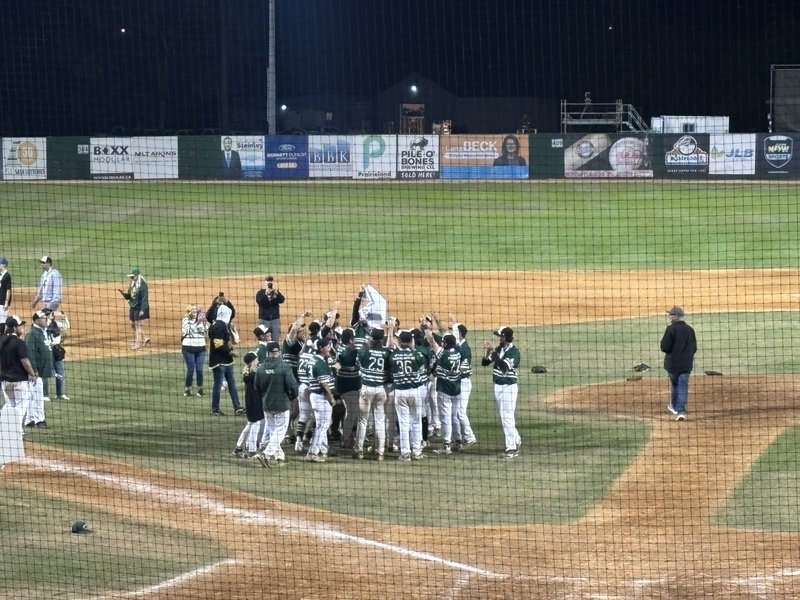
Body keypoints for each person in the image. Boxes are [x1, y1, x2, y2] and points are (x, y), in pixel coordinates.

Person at [385, 321, 427, 462]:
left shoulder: (393, 356)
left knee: (403, 423)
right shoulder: (417, 355)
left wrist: (390, 331)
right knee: (416, 422)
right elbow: (421, 368)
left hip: (400, 392)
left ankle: (405, 453)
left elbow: (390, 348)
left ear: (400, 341)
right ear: (410, 341)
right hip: (415, 392)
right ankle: (417, 451)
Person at [255, 341, 299, 468]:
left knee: (273, 431)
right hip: (282, 404)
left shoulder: (261, 368)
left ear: (267, 352)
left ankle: (279, 458)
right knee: (280, 431)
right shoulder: (284, 366)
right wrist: (293, 397)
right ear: (278, 352)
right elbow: (293, 386)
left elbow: (256, 387)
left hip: (267, 405)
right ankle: (266, 454)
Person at [0, 315, 37, 466]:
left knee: (10, 405)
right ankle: (13, 432)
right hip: (20, 382)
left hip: (5, 382)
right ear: (14, 327)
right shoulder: (19, 343)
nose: (22, 327)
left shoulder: (1, 340)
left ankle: (7, 428)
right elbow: (25, 361)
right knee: (21, 407)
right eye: (20, 325)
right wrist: (32, 374)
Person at [482, 326, 522, 459]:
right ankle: (516, 439)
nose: (498, 338)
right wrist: (488, 352)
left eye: (500, 336)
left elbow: (504, 367)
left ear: (505, 337)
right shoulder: (499, 349)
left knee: (507, 417)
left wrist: (493, 354)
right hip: (498, 386)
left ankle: (511, 448)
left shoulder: (514, 353)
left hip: (509, 387)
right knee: (504, 416)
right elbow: (484, 363)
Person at [354, 328, 390, 460]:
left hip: (366, 389)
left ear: (372, 338)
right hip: (380, 389)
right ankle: (380, 452)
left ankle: (359, 451)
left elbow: (357, 364)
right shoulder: (387, 352)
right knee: (380, 421)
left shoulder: (364, 350)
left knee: (363, 420)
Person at [424, 329, 462, 455]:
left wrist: (426, 329)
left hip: (445, 389)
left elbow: (431, 341)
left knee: (445, 418)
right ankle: (458, 441)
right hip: (456, 389)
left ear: (446, 344)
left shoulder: (443, 354)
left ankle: (446, 444)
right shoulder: (458, 353)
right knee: (455, 416)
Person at [661, 306, 697, 422]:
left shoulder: (670, 329)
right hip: (686, 364)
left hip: (672, 364)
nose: (669, 316)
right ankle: (680, 411)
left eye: (671, 315)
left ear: (676, 316)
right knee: (682, 385)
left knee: (675, 383)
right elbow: (694, 348)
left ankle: (674, 406)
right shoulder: (690, 330)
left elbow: (664, 347)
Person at [208, 304, 244, 416]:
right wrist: (230, 352)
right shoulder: (219, 326)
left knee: (231, 384)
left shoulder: (220, 324)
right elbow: (218, 344)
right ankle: (215, 409)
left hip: (226, 360)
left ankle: (237, 407)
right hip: (219, 361)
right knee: (218, 386)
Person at [305, 337, 337, 463]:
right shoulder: (320, 363)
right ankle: (312, 453)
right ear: (321, 348)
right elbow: (324, 385)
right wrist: (331, 398)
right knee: (322, 426)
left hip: (315, 396)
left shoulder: (313, 360)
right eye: (328, 346)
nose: (330, 348)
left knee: (321, 425)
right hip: (321, 398)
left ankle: (323, 449)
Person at [232, 352, 264, 459]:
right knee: (255, 425)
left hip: (249, 403)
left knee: (250, 424)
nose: (258, 361)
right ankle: (251, 450)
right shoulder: (253, 375)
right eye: (256, 359)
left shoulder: (247, 373)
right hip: (255, 403)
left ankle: (239, 447)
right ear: (253, 361)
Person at [24, 309, 52, 428]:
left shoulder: (42, 332)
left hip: (40, 371)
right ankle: (39, 420)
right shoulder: (32, 334)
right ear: (37, 321)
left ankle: (30, 420)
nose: (47, 320)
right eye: (44, 318)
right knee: (37, 397)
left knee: (33, 396)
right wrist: (33, 370)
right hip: (36, 372)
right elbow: (30, 353)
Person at [181, 304, 208, 397]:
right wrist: (198, 321)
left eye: (196, 309)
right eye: (192, 309)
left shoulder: (201, 320)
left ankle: (200, 389)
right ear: (189, 311)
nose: (195, 311)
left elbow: (206, 332)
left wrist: (204, 322)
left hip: (201, 348)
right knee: (191, 370)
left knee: (199, 370)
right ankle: (187, 389)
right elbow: (189, 331)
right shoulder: (185, 320)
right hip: (188, 348)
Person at [120, 267, 150, 350]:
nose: (131, 278)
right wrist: (125, 295)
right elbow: (130, 295)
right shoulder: (133, 283)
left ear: (137, 275)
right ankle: (145, 338)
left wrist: (143, 310)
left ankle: (138, 344)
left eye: (132, 276)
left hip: (139, 307)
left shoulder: (143, 285)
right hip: (133, 306)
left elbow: (145, 298)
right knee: (133, 325)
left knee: (138, 325)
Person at [45, 309, 69, 400]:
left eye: (51, 314)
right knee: (45, 373)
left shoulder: (56, 324)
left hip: (57, 350)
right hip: (48, 350)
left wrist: (64, 318)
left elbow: (66, 326)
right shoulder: (43, 325)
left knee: (60, 372)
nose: (51, 315)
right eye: (49, 314)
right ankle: (45, 395)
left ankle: (60, 394)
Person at [255, 275, 285, 342]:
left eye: (271, 281)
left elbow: (282, 300)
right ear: (265, 282)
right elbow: (260, 302)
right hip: (264, 320)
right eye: (268, 281)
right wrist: (266, 294)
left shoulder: (275, 292)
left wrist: (277, 293)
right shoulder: (260, 293)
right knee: (264, 340)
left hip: (275, 320)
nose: (269, 282)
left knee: (275, 340)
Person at [0, 258, 12, 324]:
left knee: (3, 321)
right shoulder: (0, 275)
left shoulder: (7, 276)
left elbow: (8, 290)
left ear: (4, 265)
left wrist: (6, 302)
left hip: (3, 302)